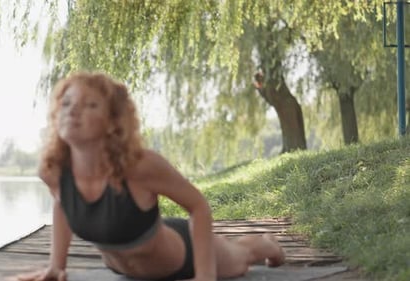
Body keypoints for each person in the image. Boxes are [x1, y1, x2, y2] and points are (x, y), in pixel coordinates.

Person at [18, 72, 285, 281]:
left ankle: (266, 244)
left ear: (113, 121)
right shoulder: (53, 170)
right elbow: (62, 203)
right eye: (66, 103)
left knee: (241, 258)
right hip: (124, 270)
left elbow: (198, 206)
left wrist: (204, 276)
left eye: (90, 105)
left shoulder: (140, 165)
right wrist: (56, 266)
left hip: (184, 256)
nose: (73, 110)